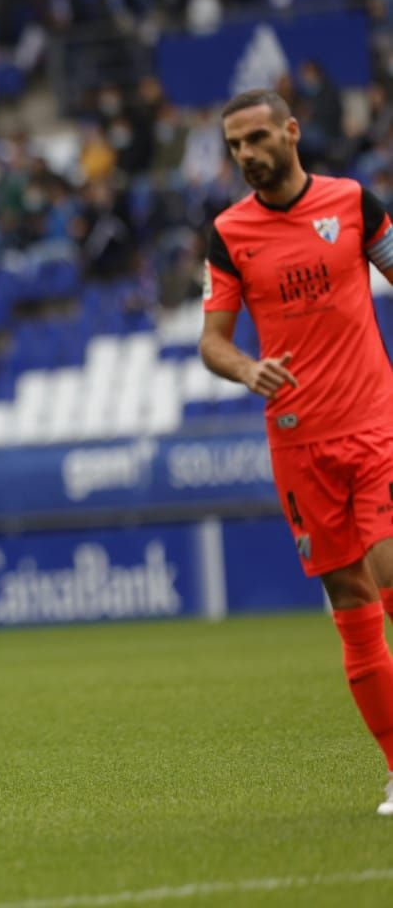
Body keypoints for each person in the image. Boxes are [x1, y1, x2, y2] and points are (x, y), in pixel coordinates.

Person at [200, 88, 393, 815]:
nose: (246, 155)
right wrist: (247, 368)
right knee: (350, 603)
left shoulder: (354, 205)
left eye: (255, 139)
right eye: (233, 146)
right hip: (298, 443)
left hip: (377, 426)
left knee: (388, 571)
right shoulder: (229, 232)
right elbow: (212, 339)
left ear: (291, 130)